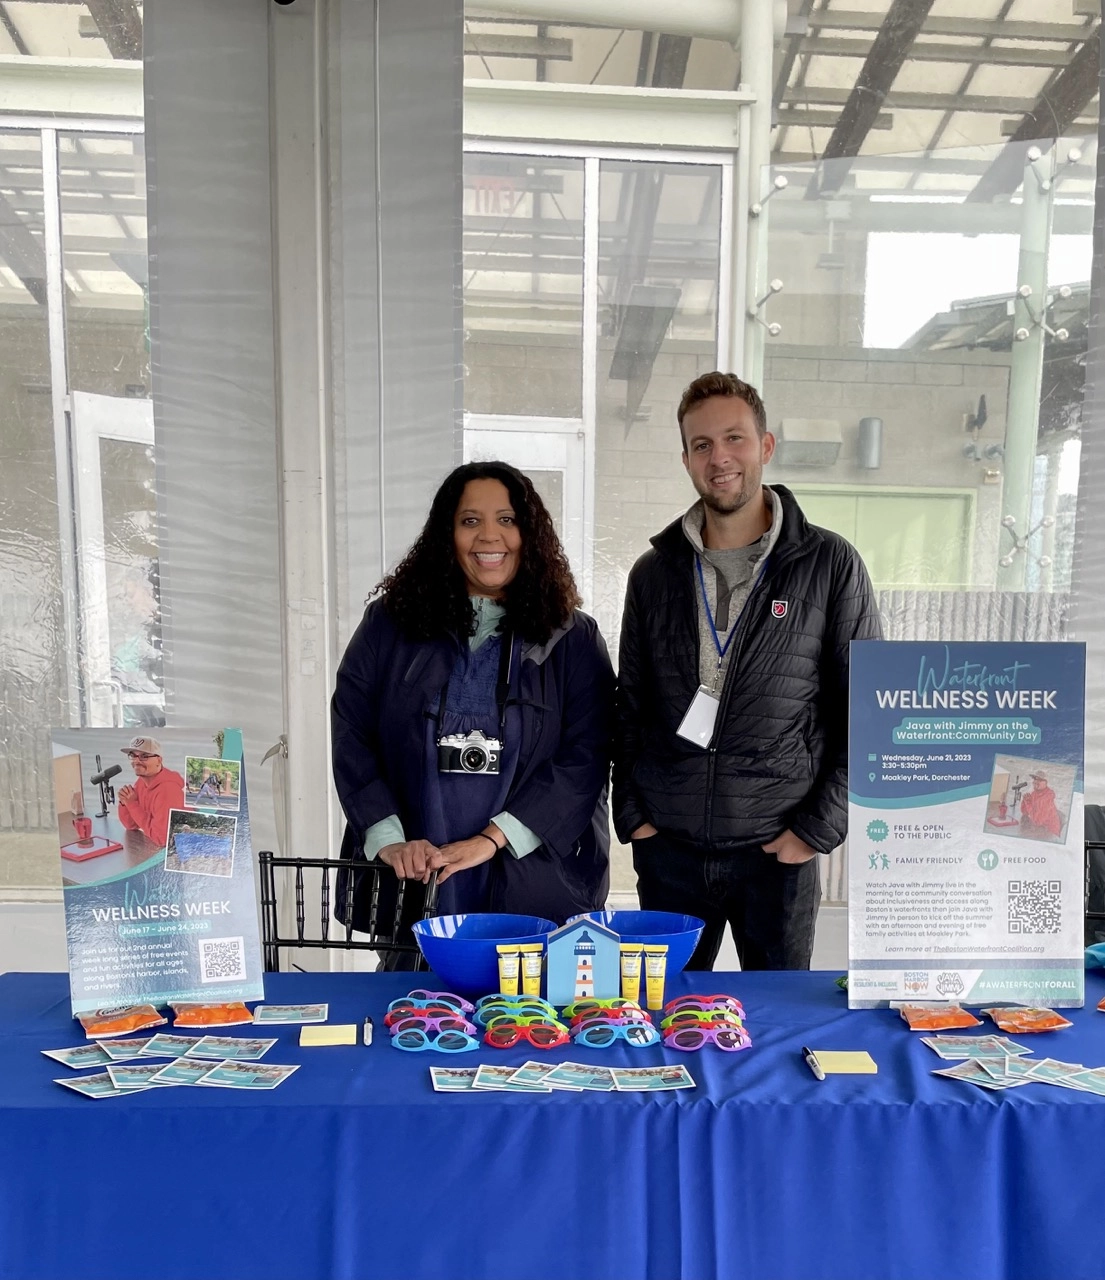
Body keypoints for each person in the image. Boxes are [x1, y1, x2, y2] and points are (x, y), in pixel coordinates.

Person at [614, 371, 882, 971]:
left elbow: (864, 714)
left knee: (777, 1029)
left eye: (734, 438)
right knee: (663, 1026)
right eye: (702, 445)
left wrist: (816, 832)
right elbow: (629, 706)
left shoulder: (829, 564)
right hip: (670, 851)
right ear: (686, 459)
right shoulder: (653, 574)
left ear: (765, 446)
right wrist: (634, 817)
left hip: (776, 851)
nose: (720, 458)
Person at [332, 461, 615, 962]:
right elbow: (352, 729)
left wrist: (492, 838)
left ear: (529, 533)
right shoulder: (389, 625)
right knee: (419, 1015)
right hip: (416, 871)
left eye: (507, 519)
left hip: (526, 871)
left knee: (525, 1024)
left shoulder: (573, 638)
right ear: (447, 534)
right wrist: (389, 838)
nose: (490, 536)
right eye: (470, 521)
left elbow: (587, 756)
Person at [116, 736, 185, 848]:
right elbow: (131, 825)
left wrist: (132, 804)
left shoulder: (168, 791)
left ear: (159, 760)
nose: (137, 761)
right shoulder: (142, 782)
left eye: (144, 756)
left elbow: (162, 839)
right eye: (133, 756)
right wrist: (125, 803)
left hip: (177, 852)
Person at [1019, 771, 1063, 839]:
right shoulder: (1035, 793)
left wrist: (1028, 803)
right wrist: (1025, 800)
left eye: (1039, 780)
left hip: (1049, 832)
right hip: (1039, 827)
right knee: (1023, 821)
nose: (1036, 782)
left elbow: (1037, 821)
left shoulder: (1046, 798)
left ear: (1045, 782)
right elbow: (1024, 812)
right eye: (1035, 779)